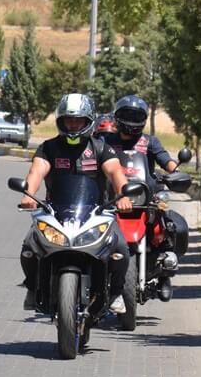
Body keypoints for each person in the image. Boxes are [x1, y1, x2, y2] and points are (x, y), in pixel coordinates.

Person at [18, 93, 134, 312]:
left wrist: (124, 196)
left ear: (88, 121)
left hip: (96, 212)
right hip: (55, 211)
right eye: (68, 120)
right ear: (60, 122)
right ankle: (33, 288)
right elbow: (37, 170)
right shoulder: (48, 148)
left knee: (120, 249)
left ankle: (116, 293)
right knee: (29, 248)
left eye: (78, 120)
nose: (72, 125)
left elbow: (115, 171)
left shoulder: (101, 148)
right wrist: (28, 194)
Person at [102, 95, 189, 294]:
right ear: (117, 117)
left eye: (136, 116)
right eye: (127, 115)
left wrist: (176, 172)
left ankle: (165, 274)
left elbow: (166, 162)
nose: (131, 120)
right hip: (114, 198)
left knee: (176, 228)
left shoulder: (149, 142)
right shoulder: (105, 140)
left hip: (146, 197)